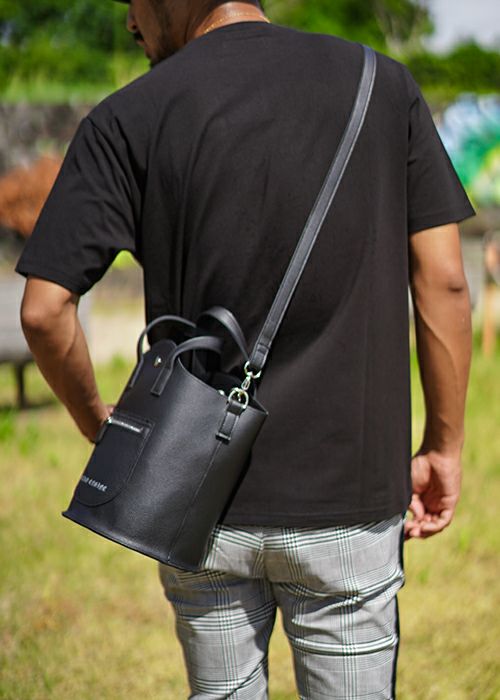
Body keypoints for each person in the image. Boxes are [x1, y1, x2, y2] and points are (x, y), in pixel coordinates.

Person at [16, 1, 474, 697]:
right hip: (348, 494)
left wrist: (99, 426)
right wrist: (443, 444)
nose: (130, 23)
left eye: (133, 2)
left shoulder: (126, 115)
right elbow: (443, 279)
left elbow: (45, 310)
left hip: (194, 496)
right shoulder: (380, 85)